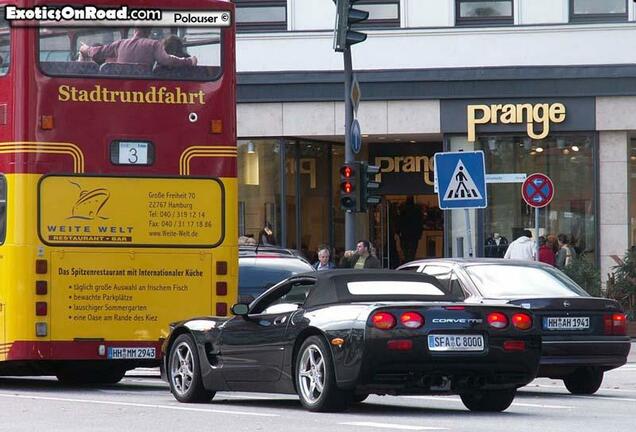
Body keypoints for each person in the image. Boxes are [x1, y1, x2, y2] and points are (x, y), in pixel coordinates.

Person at [79, 27, 197, 67]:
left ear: (134, 30)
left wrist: (86, 49)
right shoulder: (154, 44)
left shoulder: (120, 44)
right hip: (146, 92)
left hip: (121, 91)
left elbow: (97, 52)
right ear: (149, 31)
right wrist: (189, 61)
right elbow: (166, 60)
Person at [396, 196, 424, 263]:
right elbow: (420, 222)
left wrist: (398, 231)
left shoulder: (403, 209)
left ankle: (407, 261)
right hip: (414, 234)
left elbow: (400, 221)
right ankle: (410, 261)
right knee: (412, 250)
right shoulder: (417, 210)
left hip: (405, 234)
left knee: (405, 249)